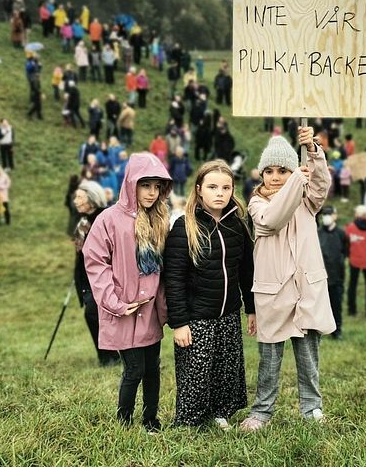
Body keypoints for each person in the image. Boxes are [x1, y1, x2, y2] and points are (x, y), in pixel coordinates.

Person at [240, 130, 335, 431]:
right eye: (269, 171)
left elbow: (320, 184)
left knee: (308, 357)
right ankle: (262, 412)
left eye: (283, 171)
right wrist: (297, 180)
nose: (275, 177)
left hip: (305, 290)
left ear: (294, 170)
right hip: (273, 293)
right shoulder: (257, 204)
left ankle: (312, 408)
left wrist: (312, 149)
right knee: (269, 360)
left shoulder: (307, 202)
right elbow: (272, 220)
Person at [83, 153, 172, 431]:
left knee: (152, 368)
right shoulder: (109, 219)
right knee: (134, 369)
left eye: (157, 187)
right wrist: (114, 301)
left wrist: (167, 306)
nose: (152, 193)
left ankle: (150, 419)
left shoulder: (159, 220)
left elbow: (165, 268)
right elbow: (96, 262)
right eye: (146, 186)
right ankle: (124, 422)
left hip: (150, 312)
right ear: (131, 184)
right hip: (123, 309)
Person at [163, 160, 254, 429]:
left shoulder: (237, 224)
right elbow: (174, 279)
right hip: (197, 317)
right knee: (197, 373)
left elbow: (247, 270)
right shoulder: (184, 226)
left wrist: (251, 308)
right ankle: (189, 422)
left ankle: (220, 414)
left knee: (226, 369)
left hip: (228, 313)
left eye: (226, 187)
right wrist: (179, 323)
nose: (220, 193)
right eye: (213, 187)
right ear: (199, 189)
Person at [70, 181, 120, 367]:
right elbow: (80, 253)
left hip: (106, 275)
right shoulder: (82, 221)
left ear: (91, 198)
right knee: (91, 314)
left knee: (97, 313)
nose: (76, 201)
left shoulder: (106, 217)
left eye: (80, 197)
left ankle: (114, 354)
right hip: (87, 277)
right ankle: (105, 356)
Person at [318, 205, 348, 340]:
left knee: (336, 304)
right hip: (321, 276)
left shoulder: (341, 234)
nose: (327, 217)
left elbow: (346, 252)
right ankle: (319, 330)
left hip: (337, 276)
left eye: (329, 214)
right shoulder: (318, 233)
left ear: (335, 216)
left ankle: (337, 330)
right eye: (325, 214)